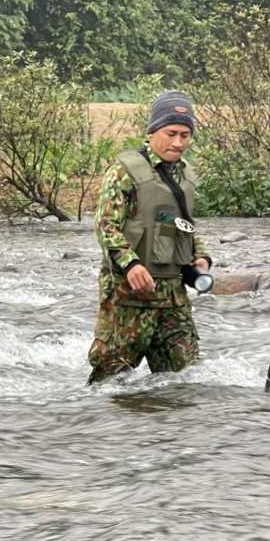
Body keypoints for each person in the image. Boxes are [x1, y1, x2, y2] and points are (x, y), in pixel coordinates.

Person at [87, 90, 212, 384]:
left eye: (185, 135)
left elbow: (184, 225)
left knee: (186, 383)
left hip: (173, 298)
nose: (178, 143)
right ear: (153, 131)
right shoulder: (124, 172)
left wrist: (201, 256)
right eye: (171, 134)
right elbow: (106, 225)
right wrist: (131, 264)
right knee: (109, 386)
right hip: (128, 298)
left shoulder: (185, 175)